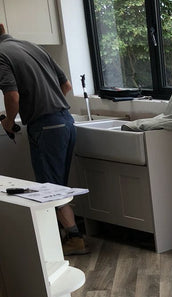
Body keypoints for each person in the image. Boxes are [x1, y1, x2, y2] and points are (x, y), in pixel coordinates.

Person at [0, 24, 89, 255]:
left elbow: (12, 95)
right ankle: (69, 235)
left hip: (46, 127)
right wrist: (50, 103)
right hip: (66, 122)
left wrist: (9, 121)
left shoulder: (1, 55)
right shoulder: (32, 46)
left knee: (49, 189)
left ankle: (73, 238)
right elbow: (66, 85)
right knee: (58, 186)